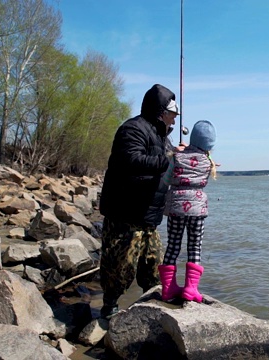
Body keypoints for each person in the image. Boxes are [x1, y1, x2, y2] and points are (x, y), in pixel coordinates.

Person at [98, 84, 180, 318]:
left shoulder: (164, 137)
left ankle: (151, 311)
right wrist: (167, 159)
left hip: (148, 217)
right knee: (119, 267)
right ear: (160, 112)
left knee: (153, 269)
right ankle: (109, 308)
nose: (173, 121)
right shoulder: (132, 129)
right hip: (125, 214)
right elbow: (131, 160)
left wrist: (182, 155)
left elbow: (169, 163)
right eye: (172, 115)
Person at [158, 120, 218, 303]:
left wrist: (178, 155)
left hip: (176, 207)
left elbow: (167, 180)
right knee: (195, 247)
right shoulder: (208, 162)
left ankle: (168, 289)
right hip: (198, 209)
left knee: (173, 246)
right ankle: (191, 289)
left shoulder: (177, 157)